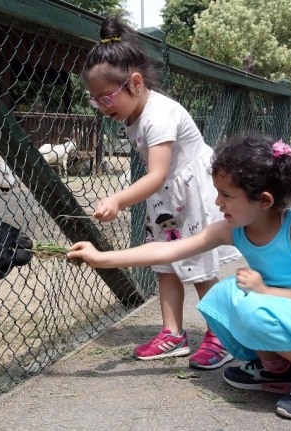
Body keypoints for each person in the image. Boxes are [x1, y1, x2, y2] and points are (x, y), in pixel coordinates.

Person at [67, 134, 291, 420]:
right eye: (217, 193)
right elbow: (168, 251)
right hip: (286, 310)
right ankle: (278, 369)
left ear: (264, 201)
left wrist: (266, 291)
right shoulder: (234, 228)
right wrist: (101, 258)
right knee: (225, 295)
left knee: (252, 305)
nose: (217, 203)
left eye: (226, 195)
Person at [80, 13, 240, 369]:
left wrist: (118, 200)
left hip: (189, 191)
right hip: (168, 197)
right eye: (95, 101)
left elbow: (156, 174)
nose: (102, 107)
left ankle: (222, 335)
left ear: (135, 83)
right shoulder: (131, 115)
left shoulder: (159, 116)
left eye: (105, 99)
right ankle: (173, 334)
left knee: (199, 268)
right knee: (164, 265)